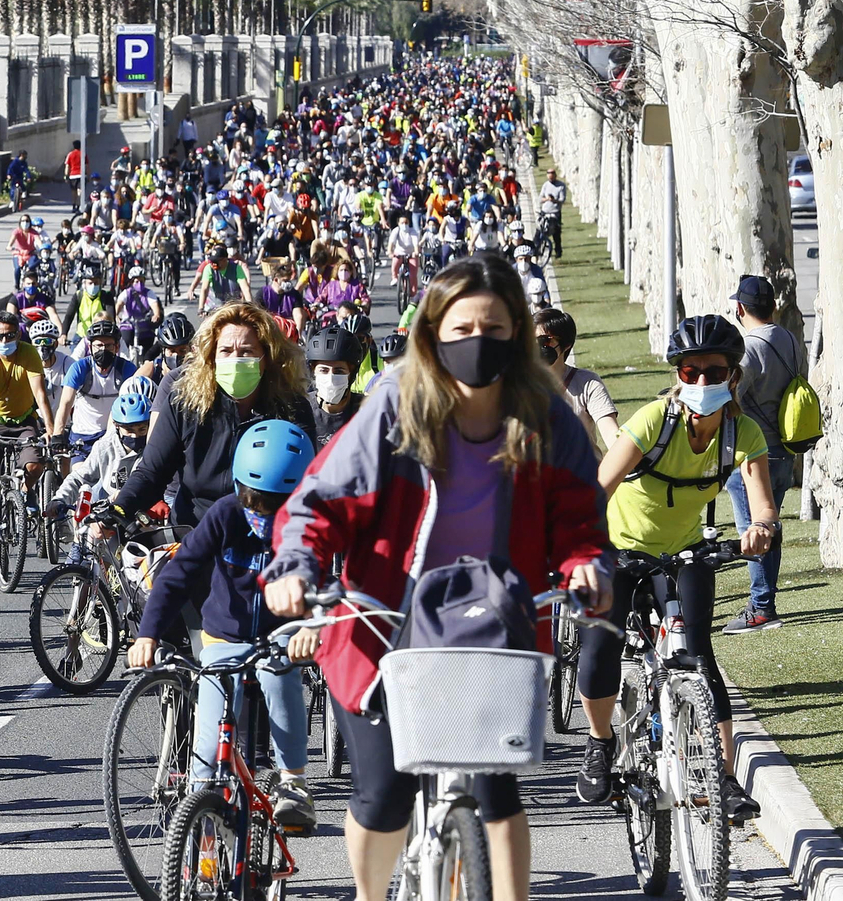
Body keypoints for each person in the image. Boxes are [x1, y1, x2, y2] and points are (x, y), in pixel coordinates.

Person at [261, 255, 613, 901]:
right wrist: (295, 567)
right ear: (431, 333)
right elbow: (320, 502)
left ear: (520, 335)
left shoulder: (547, 416)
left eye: (495, 328)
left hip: (495, 628)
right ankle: (371, 895)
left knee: (498, 787)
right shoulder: (394, 405)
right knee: (385, 792)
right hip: (381, 629)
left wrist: (586, 564)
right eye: (461, 328)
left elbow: (580, 516)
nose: (478, 340)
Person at [574, 314, 773, 824]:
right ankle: (600, 744)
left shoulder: (743, 432)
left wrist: (760, 531)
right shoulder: (652, 423)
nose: (703, 382)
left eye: (715, 371)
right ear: (678, 375)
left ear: (733, 375)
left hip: (684, 552)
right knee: (599, 646)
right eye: (690, 372)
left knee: (698, 654)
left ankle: (722, 777)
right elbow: (599, 489)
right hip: (618, 548)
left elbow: (763, 505)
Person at [127, 419, 320, 831]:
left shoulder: (311, 528)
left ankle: (294, 784)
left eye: (276, 504)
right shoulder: (224, 515)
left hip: (280, 639)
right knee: (208, 744)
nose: (262, 514)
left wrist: (312, 628)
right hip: (222, 636)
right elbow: (178, 575)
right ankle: (203, 833)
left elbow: (331, 583)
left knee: (279, 677)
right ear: (237, 489)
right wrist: (148, 633)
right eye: (253, 501)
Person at [100, 302, 312, 529]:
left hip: (263, 536)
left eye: (247, 352)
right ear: (211, 357)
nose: (235, 359)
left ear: (267, 358)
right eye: (226, 350)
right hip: (193, 532)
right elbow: (152, 471)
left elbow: (309, 483)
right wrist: (119, 509)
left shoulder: (292, 408)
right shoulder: (184, 402)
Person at [724, 274, 802, 633]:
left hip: (756, 453)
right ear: (773, 305)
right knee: (771, 526)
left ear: (740, 308)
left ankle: (760, 608)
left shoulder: (749, 347)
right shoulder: (787, 337)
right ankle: (765, 602)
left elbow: (731, 400)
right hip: (786, 448)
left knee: (754, 529)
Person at [0, 311, 59, 563]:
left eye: (9, 335)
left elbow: (40, 393)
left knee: (35, 464)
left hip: (23, 421)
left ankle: (24, 491)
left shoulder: (29, 354)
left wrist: (51, 427)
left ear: (18, 334)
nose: (4, 339)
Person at [533, 308, 619, 449]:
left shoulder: (588, 384)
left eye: (544, 341)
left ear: (566, 345)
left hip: (584, 470)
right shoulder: (519, 386)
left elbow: (612, 437)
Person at [54, 320, 137, 459]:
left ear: (117, 347)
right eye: (98, 345)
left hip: (114, 437)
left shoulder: (126, 369)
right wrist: (58, 434)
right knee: (79, 477)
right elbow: (66, 403)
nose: (103, 350)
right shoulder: (80, 368)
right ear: (90, 347)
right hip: (83, 437)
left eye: (108, 345)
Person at [303, 326, 364, 451]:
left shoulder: (366, 410)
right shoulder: (301, 410)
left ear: (351, 374)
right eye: (323, 370)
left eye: (339, 371)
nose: (330, 377)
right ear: (313, 372)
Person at [116, 266, 164, 357]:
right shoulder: (127, 293)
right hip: (128, 325)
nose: (139, 284)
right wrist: (116, 315)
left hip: (145, 325)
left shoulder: (149, 293)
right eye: (137, 281)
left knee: (148, 348)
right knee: (124, 341)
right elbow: (119, 304)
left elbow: (154, 304)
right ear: (131, 282)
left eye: (141, 281)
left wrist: (156, 315)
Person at [194, 245, 253, 313]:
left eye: (216, 261)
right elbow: (204, 289)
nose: (213, 263)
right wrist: (201, 308)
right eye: (212, 261)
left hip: (233, 306)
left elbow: (245, 288)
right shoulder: (208, 268)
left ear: (225, 260)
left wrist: (250, 305)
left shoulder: (236, 268)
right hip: (214, 307)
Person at [28, 319, 73, 408]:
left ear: (55, 344)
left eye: (47, 341)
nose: (42, 346)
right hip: (36, 418)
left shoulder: (67, 363)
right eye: (38, 342)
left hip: (62, 419)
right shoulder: (27, 364)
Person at [539, 168, 566, 259]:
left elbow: (562, 200)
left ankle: (558, 251)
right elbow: (540, 199)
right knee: (541, 232)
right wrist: (547, 199)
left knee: (556, 233)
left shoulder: (561, 186)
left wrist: (554, 200)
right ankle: (539, 249)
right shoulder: (545, 185)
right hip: (545, 212)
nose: (550, 179)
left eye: (552, 177)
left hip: (555, 213)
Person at [8, 215, 41, 286]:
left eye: (27, 221)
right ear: (20, 222)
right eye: (23, 221)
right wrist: (9, 247)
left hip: (30, 253)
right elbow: (11, 242)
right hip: (19, 253)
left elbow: (38, 241)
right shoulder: (17, 231)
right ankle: (17, 285)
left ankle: (32, 282)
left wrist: (42, 248)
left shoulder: (33, 232)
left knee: (32, 266)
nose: (25, 223)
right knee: (17, 269)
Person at [65, 140, 84, 211]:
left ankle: (73, 206)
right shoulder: (83, 154)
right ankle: (78, 206)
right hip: (81, 175)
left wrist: (66, 176)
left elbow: (67, 166)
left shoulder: (70, 154)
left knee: (73, 191)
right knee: (80, 191)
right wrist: (88, 175)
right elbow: (87, 166)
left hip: (73, 175)